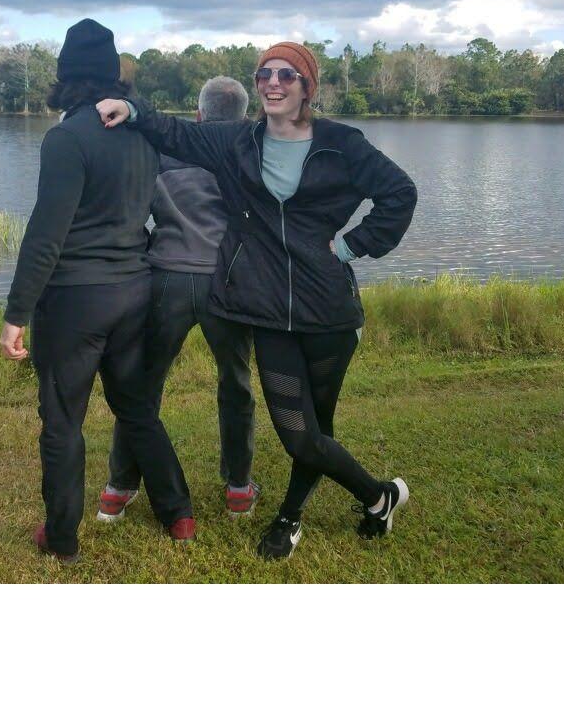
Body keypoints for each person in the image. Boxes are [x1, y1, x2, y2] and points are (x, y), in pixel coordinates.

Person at [96, 41, 417, 561]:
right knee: (296, 434)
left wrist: (350, 246)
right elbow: (175, 132)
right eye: (264, 74)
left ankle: (292, 515)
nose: (273, 83)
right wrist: (131, 109)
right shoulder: (238, 141)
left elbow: (400, 193)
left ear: (307, 86)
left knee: (317, 428)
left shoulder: (341, 143)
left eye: (286, 75)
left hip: (326, 309)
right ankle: (376, 495)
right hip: (266, 310)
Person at [0, 18, 195, 564]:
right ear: (113, 76)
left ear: (66, 77)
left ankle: (61, 538)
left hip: (75, 302)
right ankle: (178, 513)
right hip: (134, 291)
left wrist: (16, 313)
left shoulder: (67, 138)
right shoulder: (141, 132)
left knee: (63, 421)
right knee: (136, 408)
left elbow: (46, 234)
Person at [98, 76, 259, 523]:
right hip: (226, 283)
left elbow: (134, 211)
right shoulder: (249, 153)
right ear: (244, 116)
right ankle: (238, 488)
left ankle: (118, 488)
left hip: (167, 277)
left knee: (144, 385)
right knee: (236, 382)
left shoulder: (164, 152)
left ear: (199, 114)